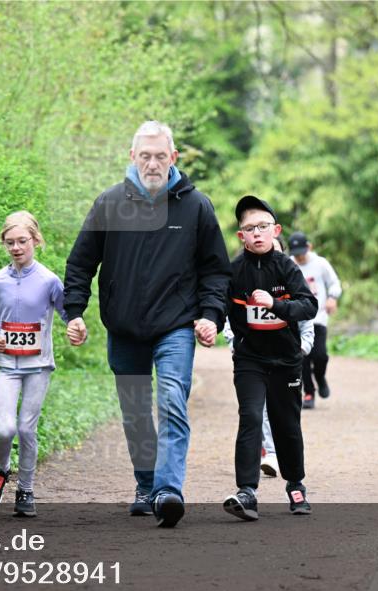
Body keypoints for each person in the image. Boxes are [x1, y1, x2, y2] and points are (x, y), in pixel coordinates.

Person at [64, 120, 231, 528]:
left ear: (173, 158)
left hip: (175, 326)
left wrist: (210, 315)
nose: (152, 163)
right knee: (135, 410)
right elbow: (81, 262)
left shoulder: (196, 207)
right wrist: (74, 312)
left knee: (172, 399)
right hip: (124, 328)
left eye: (160, 156)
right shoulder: (109, 203)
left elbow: (215, 271)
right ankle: (146, 485)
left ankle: (169, 490)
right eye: (145, 156)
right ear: (132, 157)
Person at [223, 195, 317, 521]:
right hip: (249, 359)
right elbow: (219, 306)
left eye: (263, 226)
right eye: (249, 229)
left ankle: (296, 485)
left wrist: (276, 305)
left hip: (286, 360)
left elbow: (309, 307)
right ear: (241, 236)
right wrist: (207, 322)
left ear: (275, 230)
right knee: (250, 417)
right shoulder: (233, 271)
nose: (257, 233)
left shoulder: (288, 268)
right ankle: (247, 492)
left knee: (286, 424)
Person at [0, 211, 68, 518]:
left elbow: (67, 312)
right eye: (10, 242)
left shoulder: (49, 281)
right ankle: (2, 469)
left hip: (39, 366)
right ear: (4, 244)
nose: (16, 248)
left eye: (22, 241)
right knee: (5, 429)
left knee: (26, 430)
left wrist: (76, 325)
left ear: (35, 240)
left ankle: (26, 490)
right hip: (7, 365)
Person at [288, 232, 342, 410]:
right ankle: (309, 393)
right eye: (296, 254)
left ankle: (320, 377)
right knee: (302, 356)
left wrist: (332, 298)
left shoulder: (320, 264)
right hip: (297, 319)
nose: (299, 257)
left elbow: (334, 283)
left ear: (309, 247)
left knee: (320, 355)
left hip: (318, 317)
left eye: (302, 253)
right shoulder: (288, 264)